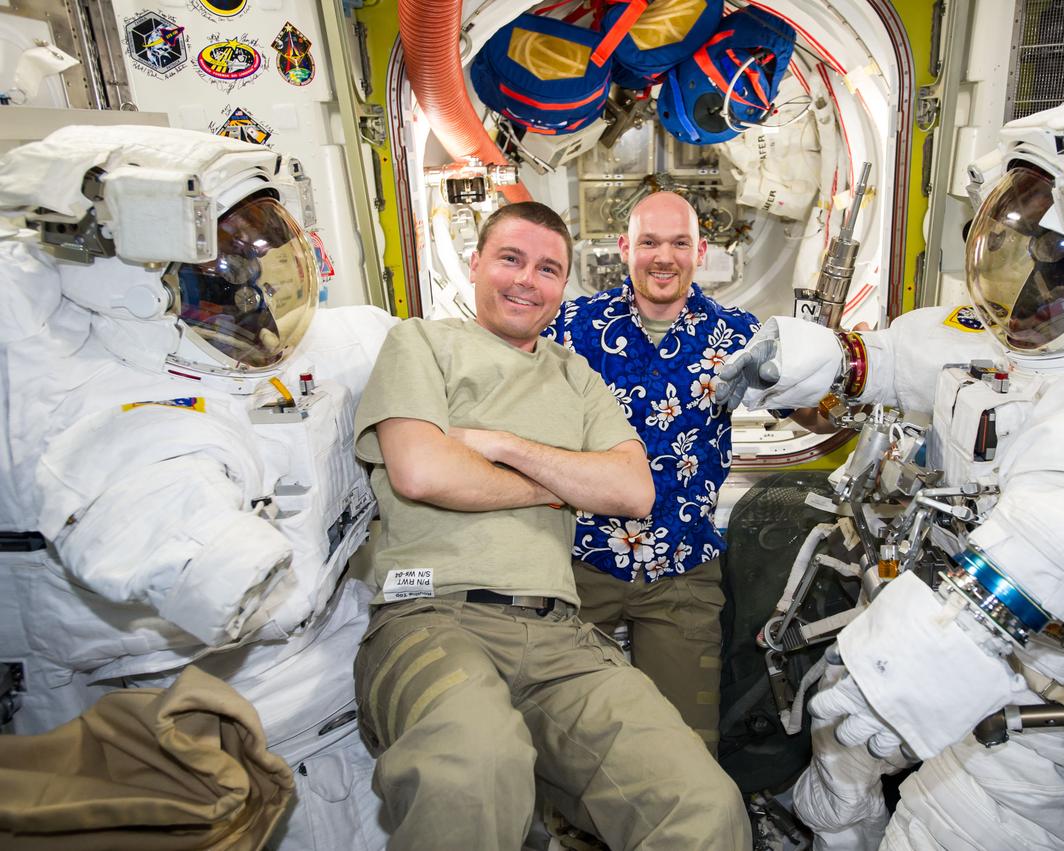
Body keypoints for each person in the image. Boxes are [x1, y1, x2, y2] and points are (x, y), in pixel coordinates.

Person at [714, 67, 1064, 849]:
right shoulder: (1057, 341)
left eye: (1058, 262)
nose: (1031, 282)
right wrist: (816, 361)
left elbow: (1058, 537)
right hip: (955, 593)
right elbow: (916, 351)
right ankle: (825, 823)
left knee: (965, 796)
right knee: (846, 712)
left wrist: (901, 679)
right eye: (1019, 252)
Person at [0, 125, 397, 849]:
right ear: (137, 285)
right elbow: (149, 499)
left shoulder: (339, 348)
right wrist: (224, 563)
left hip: (341, 688)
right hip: (181, 744)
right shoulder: (72, 379)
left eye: (260, 267)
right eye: (221, 281)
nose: (252, 304)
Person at [352, 200, 751, 850]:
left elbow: (630, 488)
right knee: (477, 767)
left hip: (564, 629)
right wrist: (563, 485)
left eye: (547, 268)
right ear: (474, 262)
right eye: (510, 258)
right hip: (433, 612)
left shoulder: (577, 373)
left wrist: (501, 448)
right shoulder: (422, 342)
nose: (526, 280)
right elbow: (423, 471)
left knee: (704, 803)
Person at [545, 191, 822, 753]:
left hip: (683, 569)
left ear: (701, 252)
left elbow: (809, 411)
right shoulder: (573, 327)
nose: (663, 257)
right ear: (625, 248)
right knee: (564, 737)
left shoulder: (738, 334)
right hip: (583, 562)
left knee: (688, 751)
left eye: (678, 243)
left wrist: (835, 370)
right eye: (649, 242)